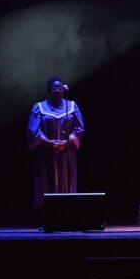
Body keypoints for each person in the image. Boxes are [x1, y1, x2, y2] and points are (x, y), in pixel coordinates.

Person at [27, 77, 85, 209]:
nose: (58, 91)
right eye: (54, 88)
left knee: (66, 181)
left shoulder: (71, 106)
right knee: (45, 182)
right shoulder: (39, 107)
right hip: (45, 152)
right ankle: (46, 215)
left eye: (60, 88)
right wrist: (48, 142)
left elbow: (79, 128)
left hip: (67, 152)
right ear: (48, 91)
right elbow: (33, 130)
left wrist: (67, 141)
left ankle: (67, 212)